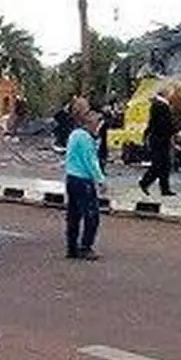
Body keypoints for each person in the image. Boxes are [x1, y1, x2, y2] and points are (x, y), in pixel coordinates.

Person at [64, 108, 106, 260]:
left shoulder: (74, 134)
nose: (98, 125)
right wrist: (101, 180)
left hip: (71, 178)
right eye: (97, 122)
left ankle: (72, 247)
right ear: (88, 123)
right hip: (83, 180)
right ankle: (85, 247)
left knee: (73, 215)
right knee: (91, 215)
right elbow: (91, 162)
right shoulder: (86, 138)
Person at [138, 91, 177, 197]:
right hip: (159, 139)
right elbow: (164, 123)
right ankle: (145, 182)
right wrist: (175, 132)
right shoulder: (160, 106)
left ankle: (164, 189)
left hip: (160, 139)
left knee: (165, 165)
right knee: (159, 164)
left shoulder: (160, 105)